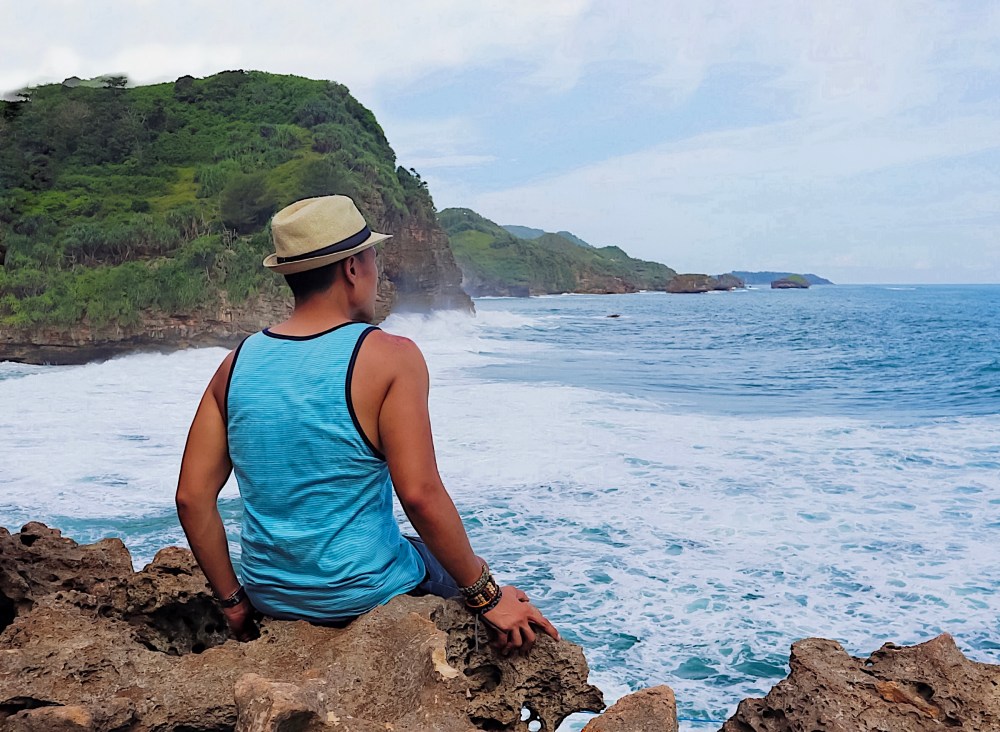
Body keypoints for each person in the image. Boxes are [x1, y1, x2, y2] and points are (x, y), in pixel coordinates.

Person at [176, 195, 558, 654]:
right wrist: (489, 597)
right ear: (353, 268)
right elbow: (419, 494)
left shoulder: (235, 364)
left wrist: (234, 603)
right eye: (374, 258)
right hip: (362, 596)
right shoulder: (392, 357)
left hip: (271, 596)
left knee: (421, 546)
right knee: (465, 571)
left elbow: (191, 498)